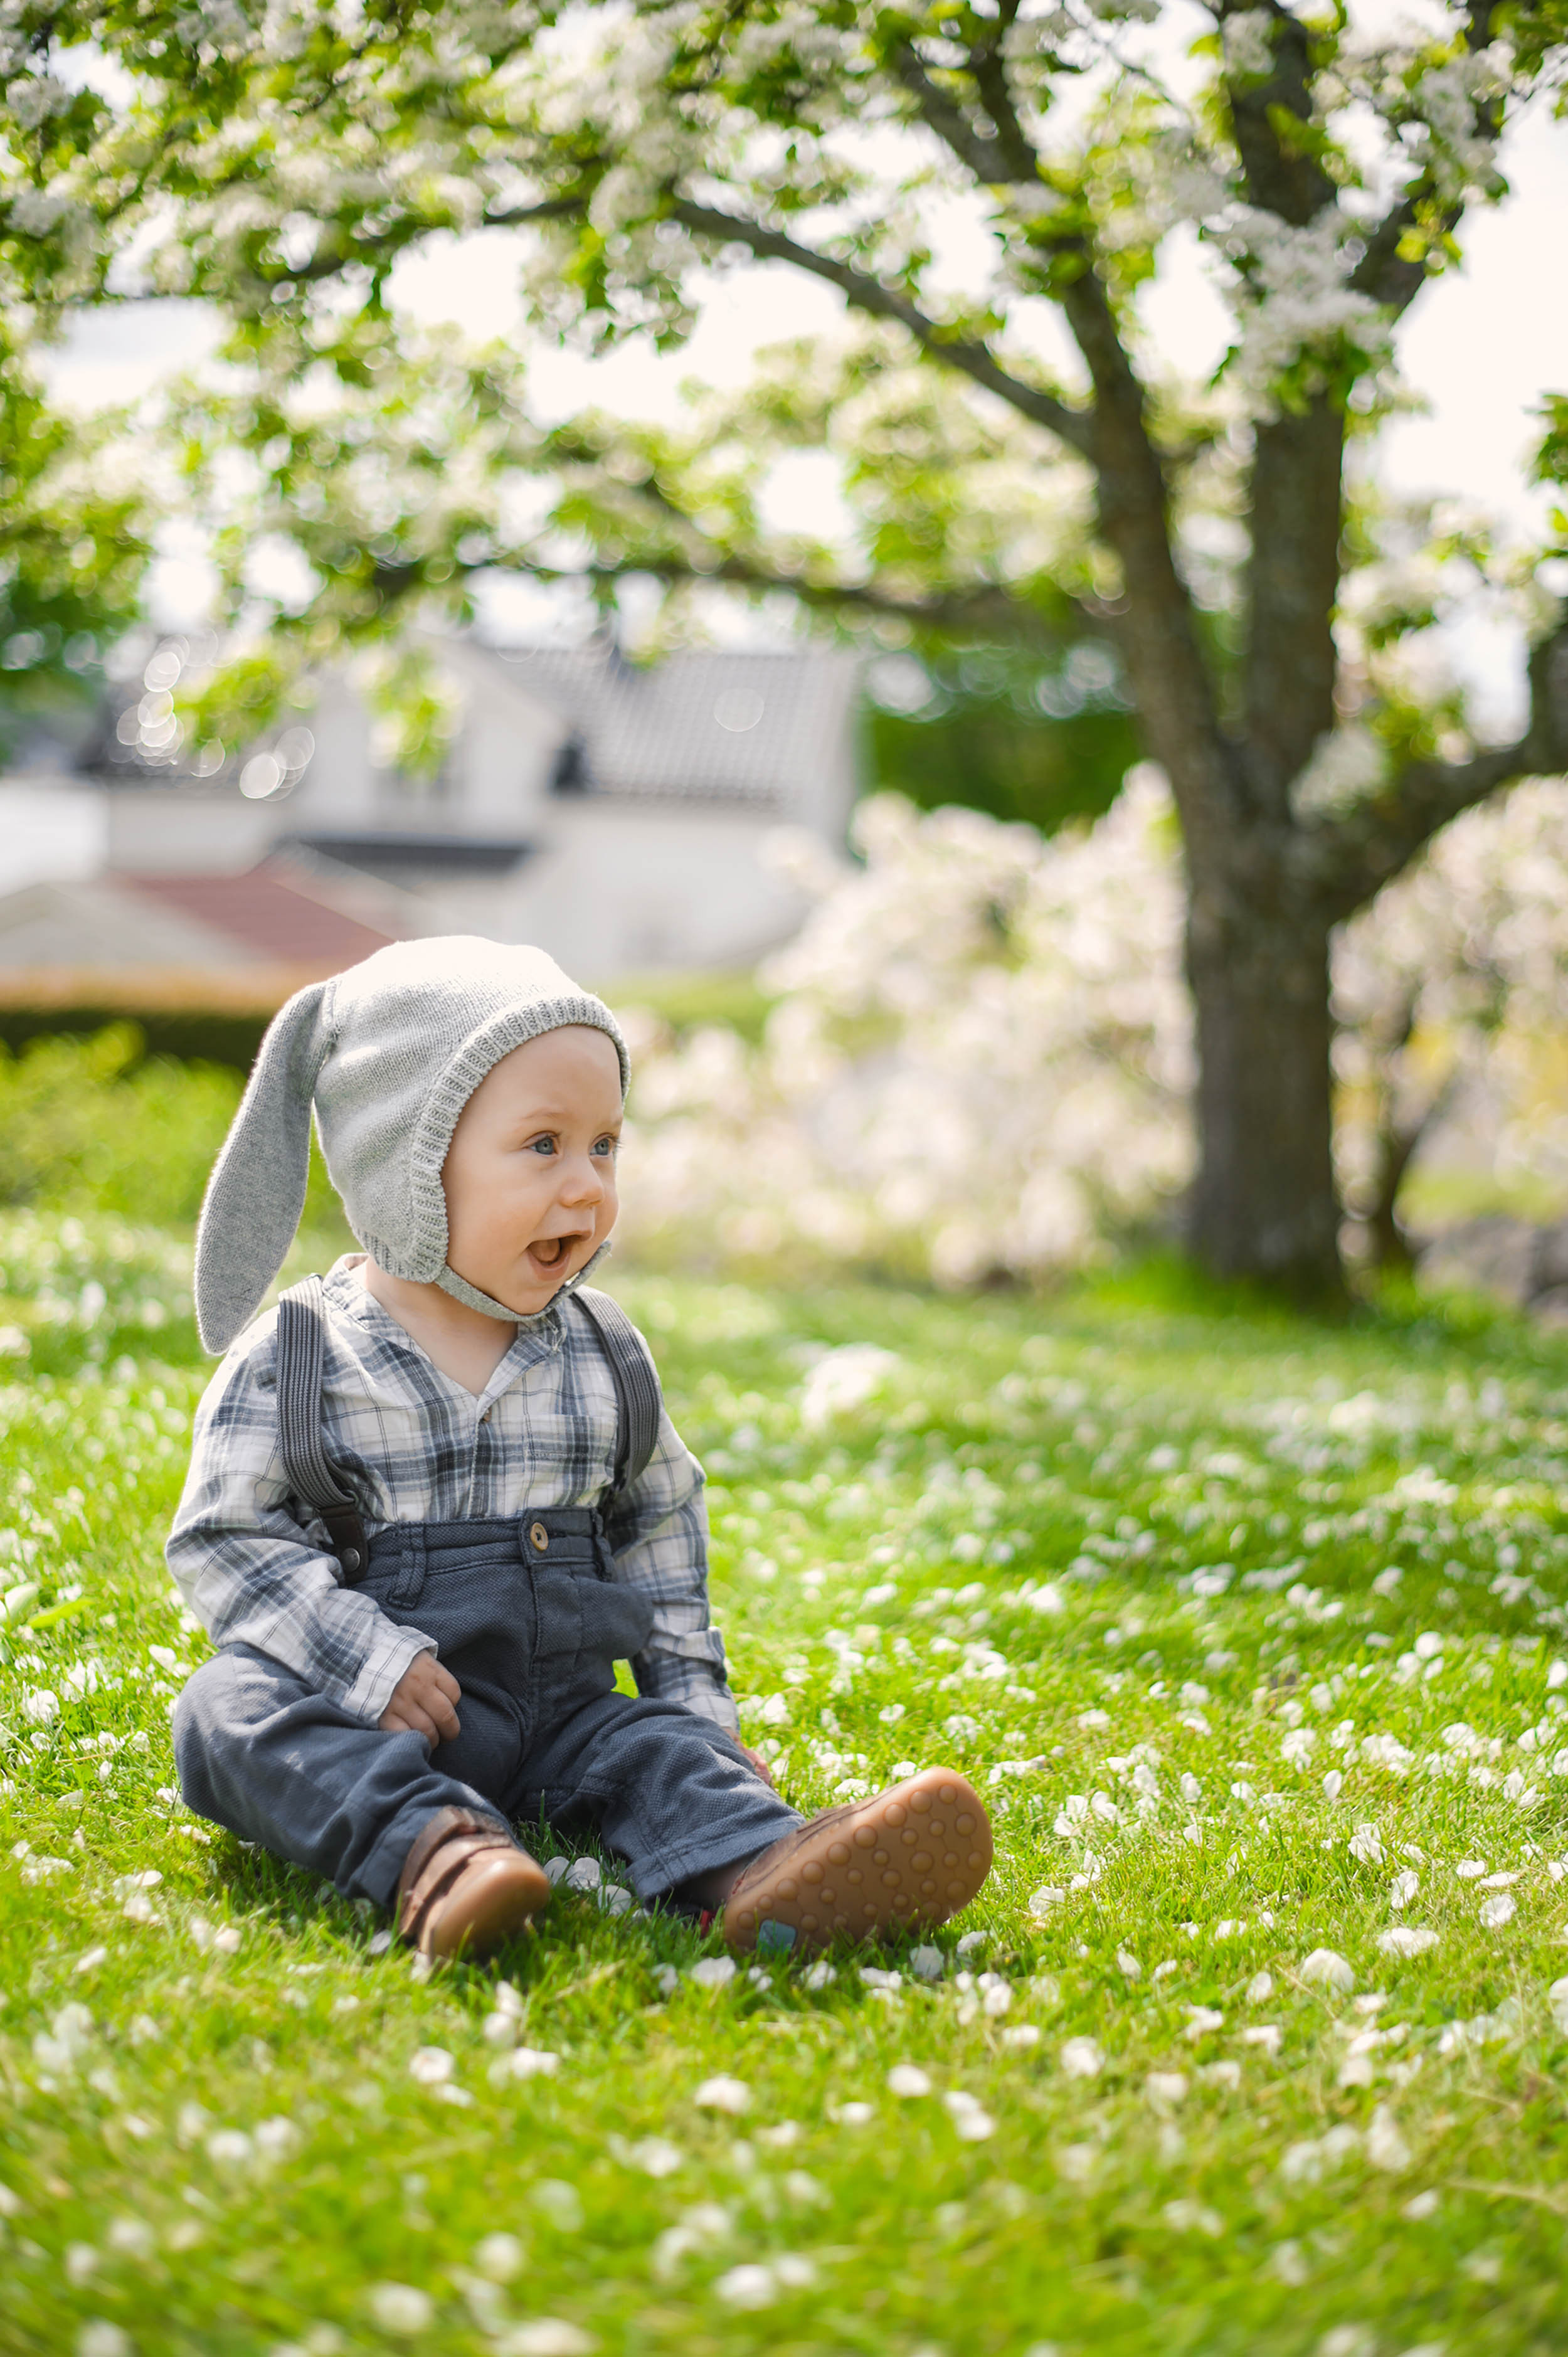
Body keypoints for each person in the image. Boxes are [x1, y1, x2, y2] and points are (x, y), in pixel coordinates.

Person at [168, 937, 992, 1959]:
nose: (587, 1186)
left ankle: (758, 1865)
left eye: (605, 1145)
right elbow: (223, 1536)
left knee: (659, 1754)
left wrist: (697, 1709)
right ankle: (439, 1850)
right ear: (410, 1168)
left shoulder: (602, 1349)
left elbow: (661, 1527)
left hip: (569, 1713)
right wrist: (364, 1658)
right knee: (226, 1710)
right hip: (388, 1718)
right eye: (544, 1145)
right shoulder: (301, 1356)